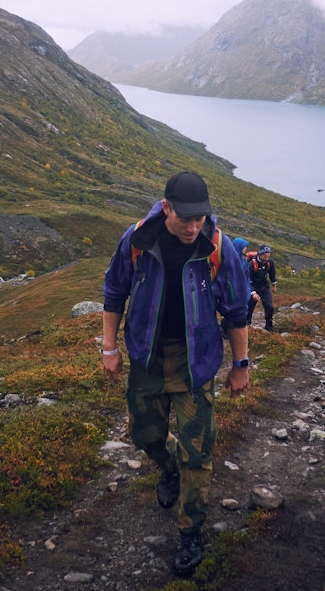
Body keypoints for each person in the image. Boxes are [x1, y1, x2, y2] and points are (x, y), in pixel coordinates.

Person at [101, 171, 251, 577]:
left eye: (200, 218)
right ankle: (167, 467)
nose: (193, 226)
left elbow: (237, 311)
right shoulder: (137, 240)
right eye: (185, 218)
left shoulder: (218, 247)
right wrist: (110, 347)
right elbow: (115, 292)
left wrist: (240, 365)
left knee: (197, 452)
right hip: (147, 358)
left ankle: (190, 531)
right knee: (144, 434)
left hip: (195, 362)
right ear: (166, 207)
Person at [247, 244, 278, 331]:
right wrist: (253, 293)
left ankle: (269, 326)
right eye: (265, 256)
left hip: (264, 287)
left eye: (268, 256)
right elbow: (248, 280)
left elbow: (272, 274)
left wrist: (274, 285)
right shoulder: (251, 264)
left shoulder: (269, 262)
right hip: (254, 288)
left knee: (269, 307)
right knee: (249, 308)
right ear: (260, 254)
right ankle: (247, 325)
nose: (267, 258)